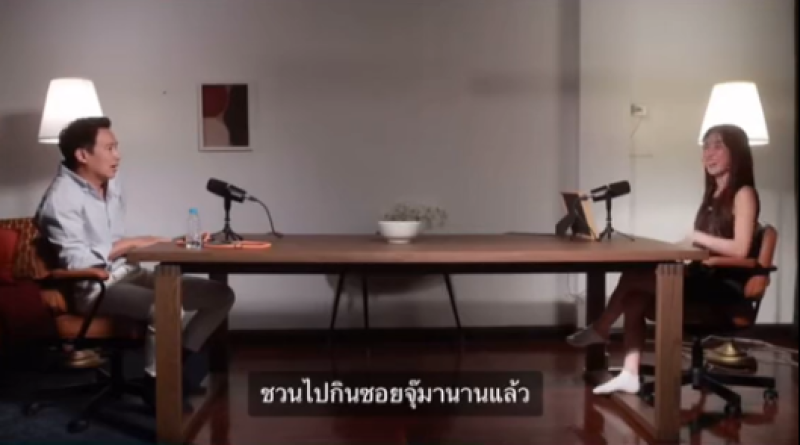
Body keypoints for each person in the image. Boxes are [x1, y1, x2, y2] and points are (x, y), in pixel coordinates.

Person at [34, 116, 235, 411]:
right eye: (110, 148)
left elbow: (119, 242)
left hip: (127, 273)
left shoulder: (111, 183)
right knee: (166, 308)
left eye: (117, 147)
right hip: (95, 287)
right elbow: (77, 262)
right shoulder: (60, 200)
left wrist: (175, 241)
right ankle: (158, 384)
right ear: (82, 155)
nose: (118, 156)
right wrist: (128, 244)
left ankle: (177, 363)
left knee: (219, 295)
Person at [566, 123, 762, 395]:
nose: (709, 153)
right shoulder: (714, 195)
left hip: (723, 287)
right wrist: (676, 247)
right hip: (703, 276)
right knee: (634, 297)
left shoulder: (744, 193)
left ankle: (601, 327)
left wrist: (698, 237)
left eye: (718, 146)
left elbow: (740, 249)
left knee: (633, 276)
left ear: (736, 152)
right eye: (705, 147)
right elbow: (702, 242)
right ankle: (630, 374)